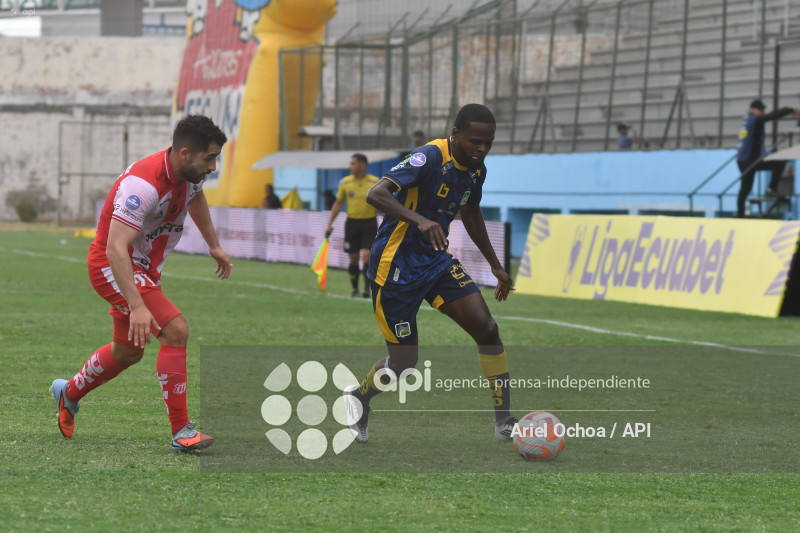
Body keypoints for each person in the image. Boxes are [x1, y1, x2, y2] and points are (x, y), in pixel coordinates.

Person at [49, 115, 233, 452]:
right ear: (185, 153)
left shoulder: (189, 176)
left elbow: (196, 198)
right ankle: (182, 432)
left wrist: (214, 245)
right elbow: (115, 248)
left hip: (141, 268)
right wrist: (136, 305)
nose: (213, 167)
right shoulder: (143, 185)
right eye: (210, 158)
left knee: (128, 351)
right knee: (175, 330)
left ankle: (69, 392)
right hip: (112, 265)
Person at [343, 103, 517, 444]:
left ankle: (504, 422)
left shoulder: (476, 170)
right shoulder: (429, 156)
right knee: (404, 363)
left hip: (436, 262)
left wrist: (496, 265)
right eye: (475, 141)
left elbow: (471, 212)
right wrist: (420, 221)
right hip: (394, 268)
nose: (482, 149)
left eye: (488, 143)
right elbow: (376, 194)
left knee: (487, 329)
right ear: (456, 135)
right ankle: (359, 397)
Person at [325, 153, 380, 298]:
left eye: (353, 164)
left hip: (369, 223)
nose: (350, 166)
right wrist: (329, 223)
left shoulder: (375, 181)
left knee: (367, 256)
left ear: (362, 165)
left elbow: (383, 201)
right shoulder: (345, 182)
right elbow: (338, 203)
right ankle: (354, 289)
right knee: (353, 258)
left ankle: (366, 289)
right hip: (352, 223)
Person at [736, 99, 799, 217]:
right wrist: (788, 110)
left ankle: (740, 214)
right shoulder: (755, 119)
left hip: (744, 160)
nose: (762, 112)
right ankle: (771, 189)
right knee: (780, 162)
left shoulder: (748, 120)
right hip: (750, 159)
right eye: (760, 110)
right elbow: (770, 116)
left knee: (745, 188)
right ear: (753, 110)